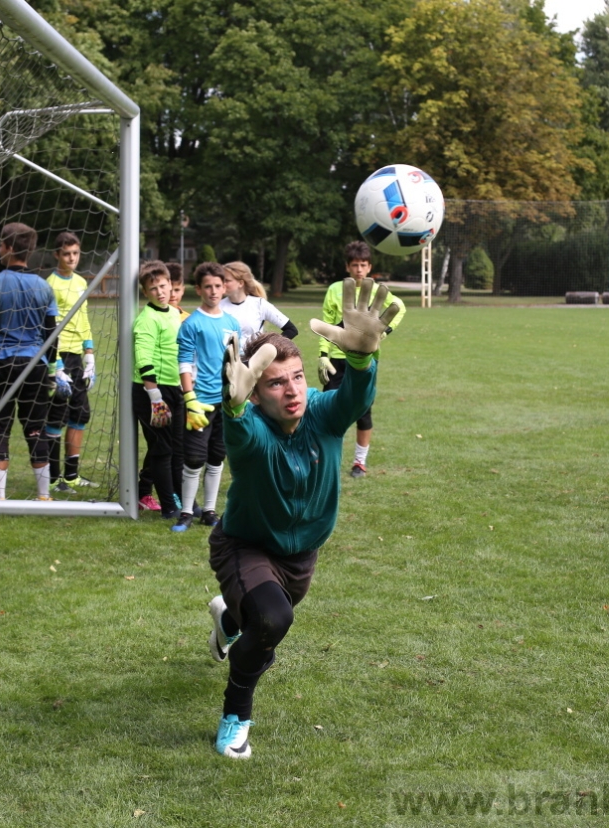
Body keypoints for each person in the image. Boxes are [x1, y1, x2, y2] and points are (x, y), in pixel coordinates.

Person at [207, 277, 398, 759]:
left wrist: (361, 358)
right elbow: (240, 432)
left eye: (296, 378)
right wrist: (231, 407)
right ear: (255, 393)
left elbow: (353, 400)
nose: (292, 391)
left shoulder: (321, 413)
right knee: (272, 621)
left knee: (260, 622)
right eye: (275, 383)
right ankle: (236, 715)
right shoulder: (252, 430)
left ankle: (228, 619)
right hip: (245, 546)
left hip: (300, 556)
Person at [0, 222, 60, 501]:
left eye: (0, 244)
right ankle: (44, 495)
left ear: (8, 248)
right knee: (35, 427)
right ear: (29, 251)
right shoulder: (43, 287)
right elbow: (51, 333)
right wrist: (53, 369)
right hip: (34, 366)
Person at [318, 240, 406, 478]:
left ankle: (359, 463)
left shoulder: (377, 290)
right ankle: (326, 460)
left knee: (363, 412)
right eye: (355, 265)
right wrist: (323, 355)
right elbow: (326, 323)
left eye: (363, 265)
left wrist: (384, 332)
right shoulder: (335, 289)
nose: (359, 269)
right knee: (328, 411)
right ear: (348, 266)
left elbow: (400, 307)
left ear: (369, 267)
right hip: (336, 358)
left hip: (365, 361)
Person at [173, 262, 240, 532]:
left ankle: (210, 511)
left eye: (217, 286)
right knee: (193, 459)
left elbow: (237, 361)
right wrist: (189, 398)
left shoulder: (232, 323)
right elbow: (184, 362)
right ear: (198, 289)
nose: (213, 291)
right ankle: (186, 512)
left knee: (217, 457)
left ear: (225, 288)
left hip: (225, 402)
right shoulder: (191, 324)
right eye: (207, 287)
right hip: (199, 404)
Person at [43, 231, 98, 493]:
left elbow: (84, 319)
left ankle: (72, 476)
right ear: (57, 255)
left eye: (75, 253)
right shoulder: (49, 284)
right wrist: (55, 364)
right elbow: (47, 326)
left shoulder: (80, 282)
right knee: (56, 415)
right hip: (59, 357)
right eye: (66, 254)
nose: (72, 258)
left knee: (80, 413)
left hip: (77, 356)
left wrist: (90, 354)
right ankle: (53, 479)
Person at [132, 260, 184, 519]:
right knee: (162, 449)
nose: (160, 292)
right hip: (152, 392)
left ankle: (178, 499)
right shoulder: (147, 319)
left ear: (171, 285)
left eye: (163, 286)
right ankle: (169, 506)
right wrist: (154, 397)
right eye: (153, 289)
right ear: (145, 292)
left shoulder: (173, 313)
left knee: (176, 447)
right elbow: (143, 356)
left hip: (175, 389)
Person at [220, 260, 298, 350]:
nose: (222, 284)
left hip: (254, 363)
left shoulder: (259, 305)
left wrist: (269, 349)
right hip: (224, 363)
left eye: (227, 281)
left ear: (241, 283)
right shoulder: (218, 307)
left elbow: (291, 330)